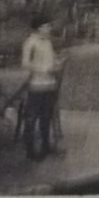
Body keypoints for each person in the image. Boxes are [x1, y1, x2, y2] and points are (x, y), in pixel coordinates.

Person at [20, 9, 64, 161]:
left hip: (49, 84)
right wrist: (43, 69)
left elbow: (50, 60)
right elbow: (25, 64)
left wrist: (58, 64)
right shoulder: (30, 43)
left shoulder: (48, 42)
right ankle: (30, 149)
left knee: (46, 116)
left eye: (49, 26)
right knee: (32, 118)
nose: (49, 29)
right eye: (47, 26)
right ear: (39, 27)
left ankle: (45, 145)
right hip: (37, 85)